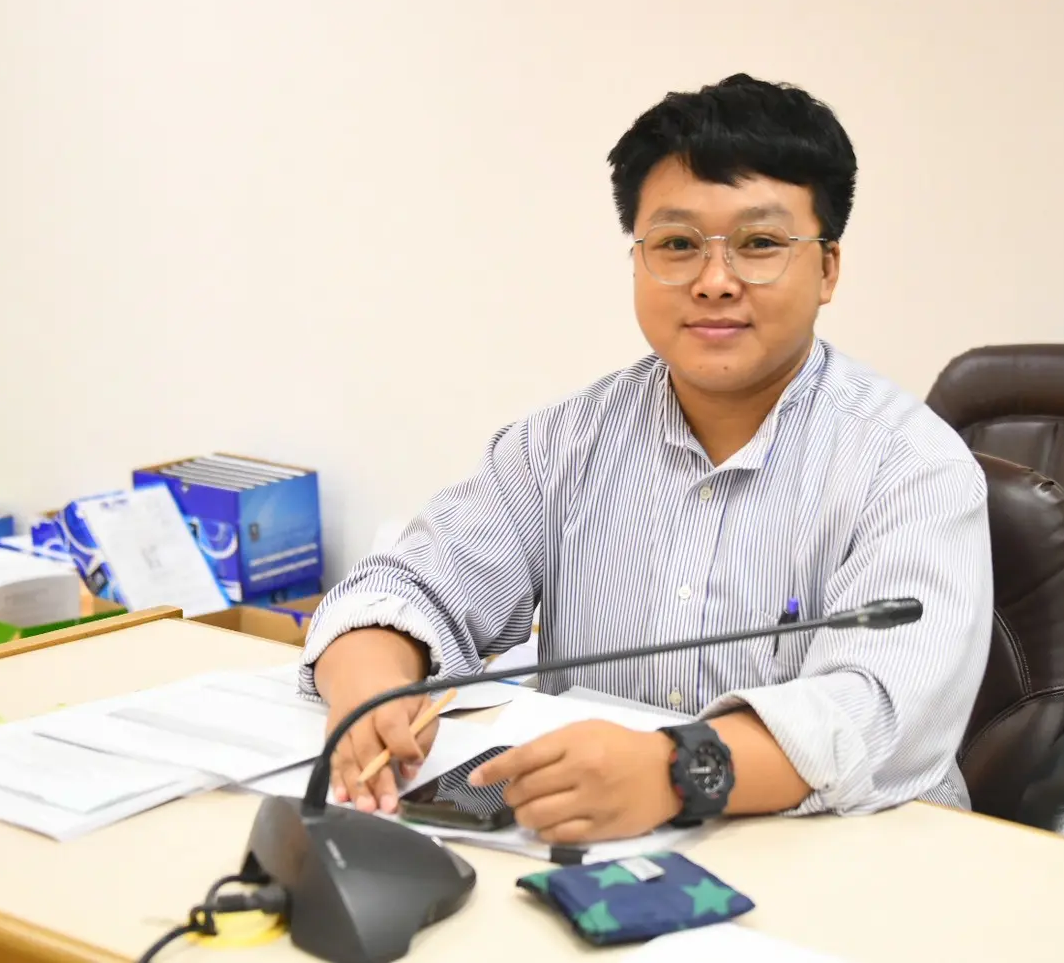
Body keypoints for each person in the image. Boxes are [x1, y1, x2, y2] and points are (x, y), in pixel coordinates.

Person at [300, 74, 992, 844]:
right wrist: (371, 688)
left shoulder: (913, 467)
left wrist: (673, 771)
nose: (714, 282)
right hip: (601, 850)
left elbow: (876, 711)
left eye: (760, 244)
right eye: (676, 245)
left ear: (827, 268)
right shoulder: (564, 442)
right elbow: (406, 584)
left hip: (854, 855)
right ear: (637, 260)